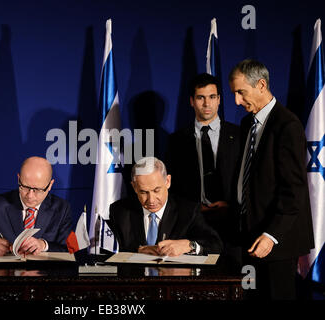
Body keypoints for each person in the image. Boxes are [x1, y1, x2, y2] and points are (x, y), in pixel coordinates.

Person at [228, 59, 314, 300]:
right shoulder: (247, 123)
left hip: (276, 241)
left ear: (262, 85)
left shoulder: (288, 125)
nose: (236, 101)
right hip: (247, 235)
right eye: (234, 93)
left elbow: (293, 190)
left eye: (241, 92)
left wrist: (272, 236)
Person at [165, 73, 240, 247]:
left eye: (212, 97)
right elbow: (171, 185)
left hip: (233, 224)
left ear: (219, 99)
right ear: (192, 101)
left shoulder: (239, 135)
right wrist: (194, 208)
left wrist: (231, 206)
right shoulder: (176, 140)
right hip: (193, 225)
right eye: (201, 98)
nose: (207, 104)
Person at [108, 157, 222, 257]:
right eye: (143, 192)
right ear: (134, 187)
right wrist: (138, 250)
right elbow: (108, 250)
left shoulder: (188, 210)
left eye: (156, 190)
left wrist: (189, 245)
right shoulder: (119, 211)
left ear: (167, 181)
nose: (151, 200)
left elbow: (215, 245)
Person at [0, 156, 72, 256]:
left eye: (38, 190)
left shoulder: (61, 208)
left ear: (50, 185)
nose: (30, 195)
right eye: (25, 187)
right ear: (18, 179)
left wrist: (44, 245)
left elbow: (70, 248)